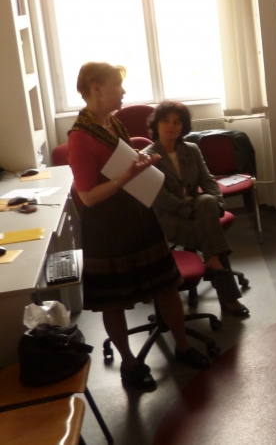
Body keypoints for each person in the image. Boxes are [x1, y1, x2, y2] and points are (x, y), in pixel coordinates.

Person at [67, 62, 210, 391]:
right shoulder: (80, 138)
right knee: (114, 300)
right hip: (107, 227)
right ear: (96, 89)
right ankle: (130, 364)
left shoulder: (111, 122)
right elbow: (88, 197)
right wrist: (126, 176)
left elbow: (123, 162)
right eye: (117, 85)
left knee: (166, 285)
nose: (123, 91)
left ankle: (183, 346)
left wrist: (139, 164)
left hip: (136, 214)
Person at [143, 101, 249, 318]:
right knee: (213, 236)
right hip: (169, 218)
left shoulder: (190, 149)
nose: (171, 126)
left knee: (208, 201)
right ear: (156, 124)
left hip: (199, 210)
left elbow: (208, 180)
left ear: (183, 127)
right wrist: (189, 211)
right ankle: (228, 296)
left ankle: (213, 262)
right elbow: (161, 198)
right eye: (165, 121)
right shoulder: (148, 157)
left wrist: (218, 204)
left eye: (177, 122)